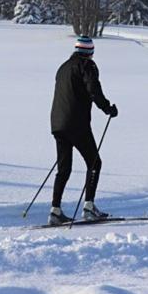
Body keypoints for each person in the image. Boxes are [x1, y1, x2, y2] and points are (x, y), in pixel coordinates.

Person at [49, 36, 118, 225]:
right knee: (95, 163)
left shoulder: (63, 67)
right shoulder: (87, 66)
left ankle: (55, 210)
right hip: (76, 124)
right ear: (90, 52)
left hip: (57, 123)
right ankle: (89, 207)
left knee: (64, 168)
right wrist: (107, 108)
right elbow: (93, 89)